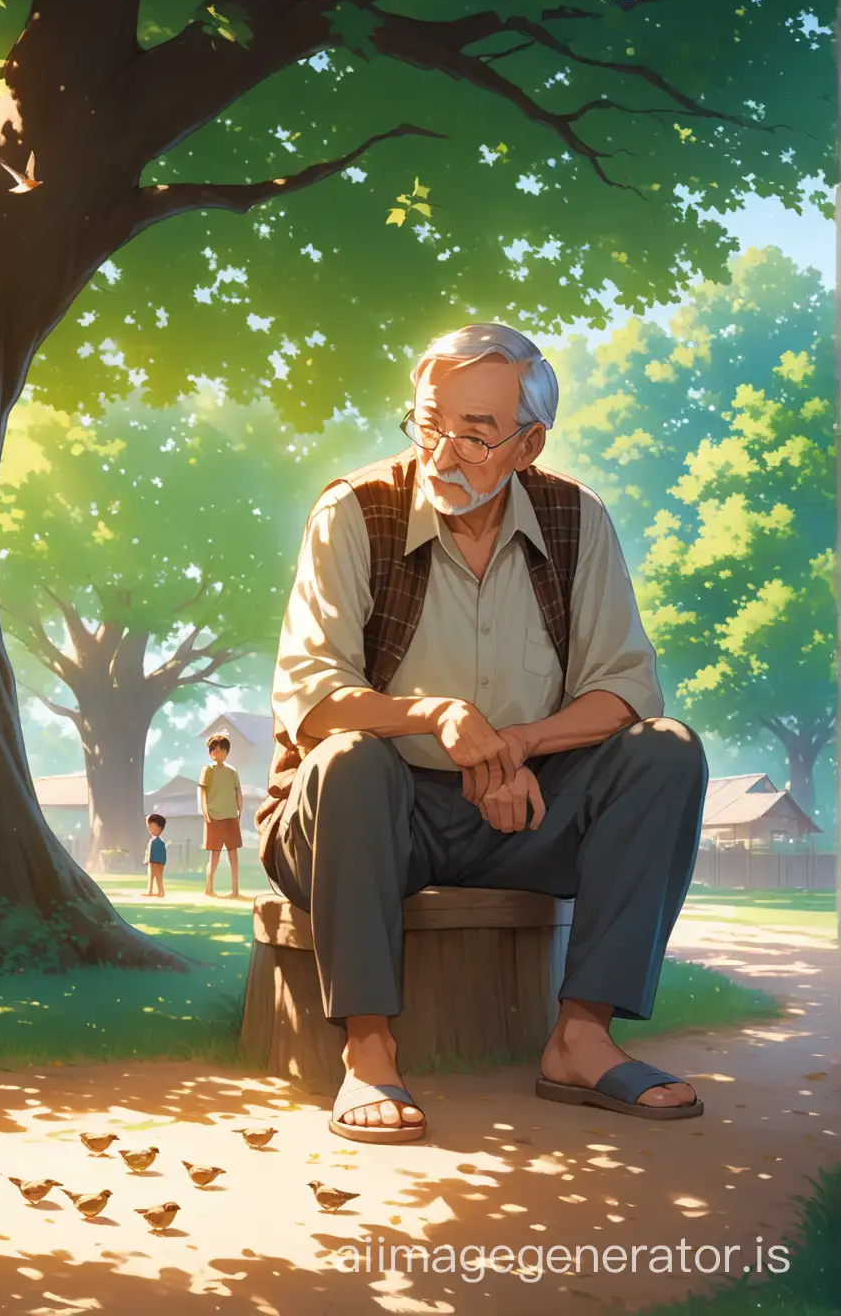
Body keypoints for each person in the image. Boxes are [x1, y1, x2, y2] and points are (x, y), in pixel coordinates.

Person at [256, 321, 707, 1146]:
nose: (443, 452)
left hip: (526, 806)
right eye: (429, 422)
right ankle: (368, 1049)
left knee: (666, 752)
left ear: (530, 445)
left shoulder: (578, 520)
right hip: (370, 816)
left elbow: (626, 689)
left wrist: (522, 745)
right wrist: (433, 714)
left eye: (475, 433)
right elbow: (310, 698)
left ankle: (581, 1036)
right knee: (351, 760)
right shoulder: (355, 512)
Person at [197, 733, 244, 898]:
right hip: (214, 816)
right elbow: (202, 791)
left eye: (221, 751)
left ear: (226, 752)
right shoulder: (207, 770)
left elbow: (238, 791)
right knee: (214, 854)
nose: (217, 754)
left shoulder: (232, 771)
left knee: (233, 854)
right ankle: (209, 888)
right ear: (210, 753)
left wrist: (240, 810)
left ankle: (235, 889)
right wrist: (204, 811)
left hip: (231, 816)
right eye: (214, 751)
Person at [142, 813, 169, 898]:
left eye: (152, 826)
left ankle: (161, 891)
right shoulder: (151, 841)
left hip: (157, 863)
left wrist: (161, 863)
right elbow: (148, 852)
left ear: (160, 828)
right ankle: (150, 890)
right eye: (149, 826)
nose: (149, 828)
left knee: (158, 877)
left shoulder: (159, 843)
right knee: (150, 876)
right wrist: (147, 860)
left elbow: (161, 853)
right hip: (151, 863)